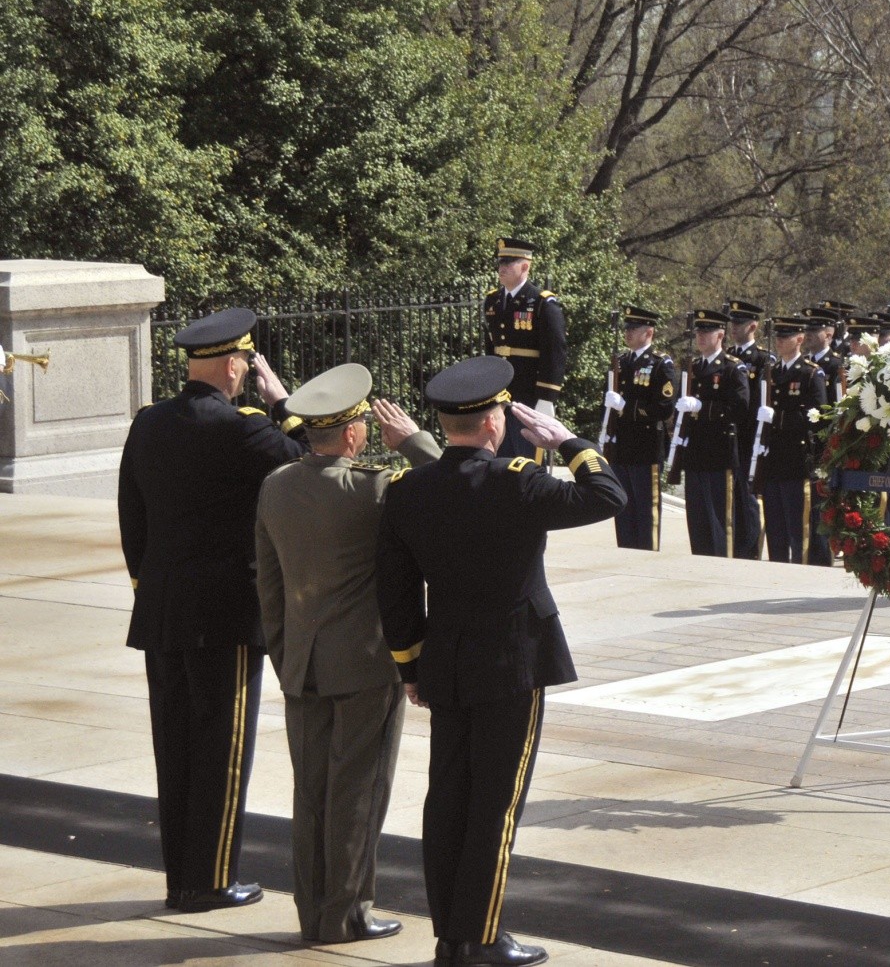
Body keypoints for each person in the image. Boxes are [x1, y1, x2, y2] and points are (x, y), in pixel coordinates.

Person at [377, 356, 626, 967]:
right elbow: (608, 495)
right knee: (496, 802)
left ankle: (449, 935)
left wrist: (409, 665)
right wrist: (567, 440)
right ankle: (480, 939)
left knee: (449, 800)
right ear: (494, 422)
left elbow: (396, 590)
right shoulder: (517, 481)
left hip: (447, 663)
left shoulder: (409, 491)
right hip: (514, 662)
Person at [118, 307, 305, 911]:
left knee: (173, 747)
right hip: (224, 612)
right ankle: (210, 878)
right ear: (234, 366)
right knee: (222, 749)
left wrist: (149, 585)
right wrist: (281, 401)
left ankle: (181, 875)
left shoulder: (148, 422)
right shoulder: (242, 427)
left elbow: (132, 520)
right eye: (247, 364)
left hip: (162, 609)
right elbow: (309, 461)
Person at [255, 366, 440, 944]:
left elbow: (269, 585)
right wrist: (411, 440)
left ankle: (313, 913)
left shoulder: (276, 485)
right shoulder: (373, 489)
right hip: (363, 664)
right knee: (358, 792)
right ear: (355, 435)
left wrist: (286, 654)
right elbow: (452, 482)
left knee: (310, 794)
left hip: (301, 663)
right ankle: (347, 913)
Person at [674, 309, 752, 557]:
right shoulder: (692, 367)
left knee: (720, 521)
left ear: (720, 335)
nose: (700, 337)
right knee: (697, 520)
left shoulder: (732, 368)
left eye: (706, 332)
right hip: (694, 452)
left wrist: (702, 407)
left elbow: (740, 408)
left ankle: (722, 566)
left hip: (719, 453)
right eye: (698, 332)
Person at [482, 238, 566, 463]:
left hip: (529, 394)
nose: (502, 268)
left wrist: (547, 397)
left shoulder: (541, 303)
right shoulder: (492, 301)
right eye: (500, 263)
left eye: (509, 263)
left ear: (525, 266)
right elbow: (490, 348)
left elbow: (554, 352)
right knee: (501, 458)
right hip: (500, 393)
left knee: (527, 459)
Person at [602, 307, 676, 550]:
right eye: (627, 329)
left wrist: (626, 406)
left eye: (634, 329)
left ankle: (647, 557)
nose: (628, 333)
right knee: (623, 508)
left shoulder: (660, 364)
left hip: (646, 447)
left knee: (647, 510)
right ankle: (626, 553)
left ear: (649, 332)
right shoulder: (621, 362)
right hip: (622, 446)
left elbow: (663, 407)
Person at [758, 316, 829, 563]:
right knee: (776, 528)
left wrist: (777, 418)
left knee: (800, 528)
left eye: (785, 337)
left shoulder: (811, 374)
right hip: (772, 460)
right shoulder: (772, 372)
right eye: (777, 336)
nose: (779, 341)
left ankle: (803, 569)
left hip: (797, 461)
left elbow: (817, 417)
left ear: (799, 339)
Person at [800, 308, 844, 566]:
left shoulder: (836, 365)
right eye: (806, 330)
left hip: (825, 442)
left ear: (829, 334)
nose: (808, 335)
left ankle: (824, 552)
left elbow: (837, 407)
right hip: (807, 442)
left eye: (814, 330)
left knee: (823, 501)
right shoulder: (807, 365)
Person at [726, 300, 769, 559]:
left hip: (750, 436)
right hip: (729, 437)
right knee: (732, 496)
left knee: (749, 496)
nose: (734, 327)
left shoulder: (763, 359)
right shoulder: (728, 356)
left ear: (753, 325)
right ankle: (736, 544)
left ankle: (750, 547)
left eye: (740, 323)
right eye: (732, 323)